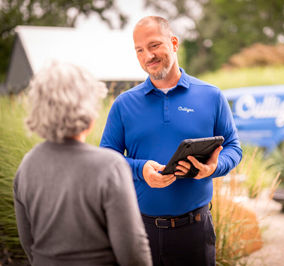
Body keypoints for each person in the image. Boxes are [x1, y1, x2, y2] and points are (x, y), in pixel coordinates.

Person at [100, 16, 242, 265]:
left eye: (154, 46)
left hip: (194, 232)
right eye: (140, 50)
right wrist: (140, 169)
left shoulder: (211, 96)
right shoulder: (124, 104)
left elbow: (233, 146)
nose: (148, 56)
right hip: (139, 230)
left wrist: (213, 168)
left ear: (174, 43)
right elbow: (106, 159)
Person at [13, 61, 152, 266]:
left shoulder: (27, 165)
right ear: (88, 109)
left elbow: (28, 243)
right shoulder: (109, 166)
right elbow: (132, 251)